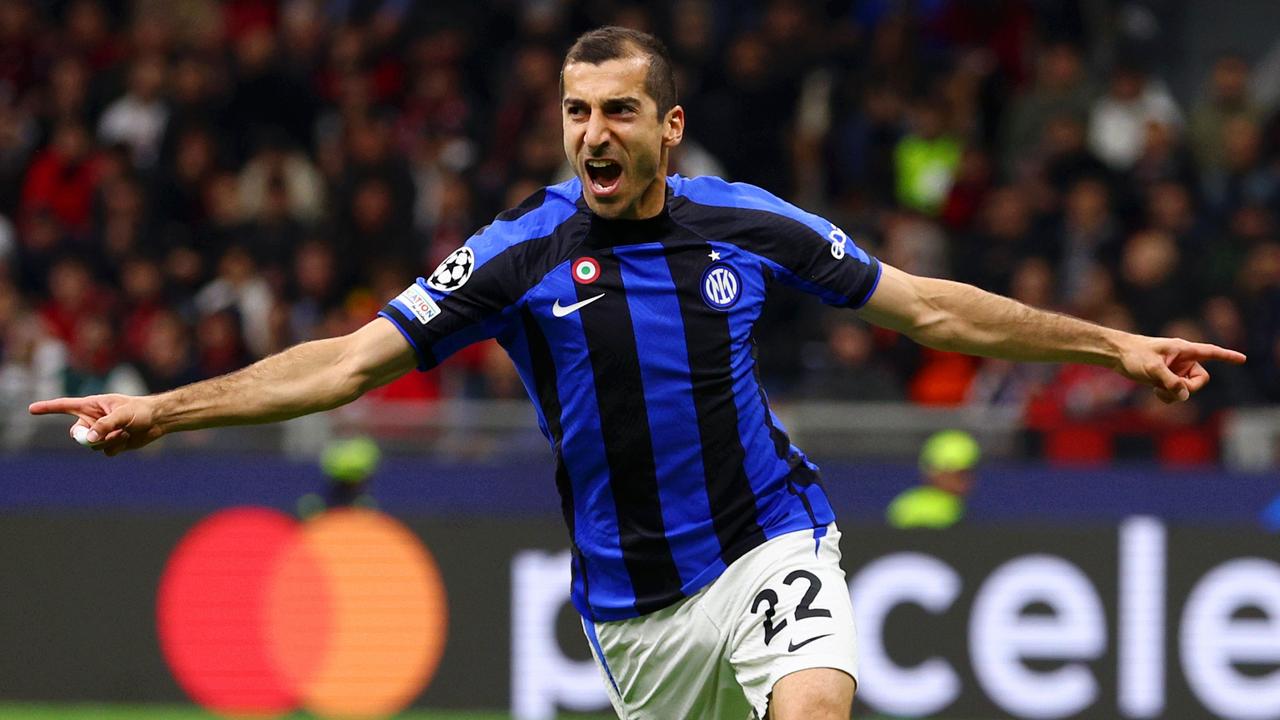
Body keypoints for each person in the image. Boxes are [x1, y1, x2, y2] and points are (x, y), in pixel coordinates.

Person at [29, 27, 1246, 720]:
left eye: (618, 110)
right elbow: (346, 364)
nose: (592, 132)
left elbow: (927, 306)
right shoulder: (516, 252)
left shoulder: (743, 222)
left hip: (768, 538)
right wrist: (162, 408)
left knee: (816, 702)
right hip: (633, 616)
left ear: (667, 129)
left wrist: (1113, 345)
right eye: (575, 111)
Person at [886, 429, 980, 529]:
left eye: (969, 473)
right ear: (934, 472)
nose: (966, 480)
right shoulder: (910, 508)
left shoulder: (966, 510)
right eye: (958, 474)